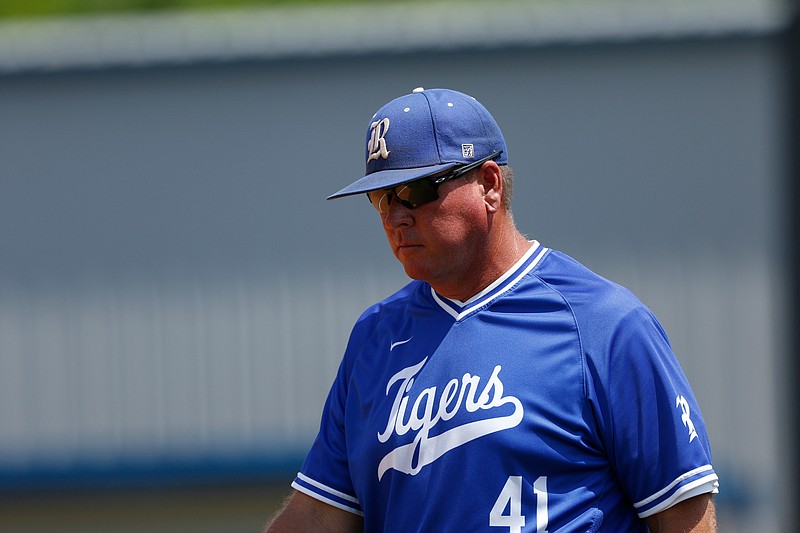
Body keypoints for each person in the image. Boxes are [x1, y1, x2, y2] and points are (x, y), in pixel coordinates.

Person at [265, 87, 719, 532]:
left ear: (489, 186)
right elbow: (319, 513)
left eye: (416, 190)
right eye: (382, 197)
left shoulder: (603, 325)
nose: (395, 215)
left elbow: (682, 513)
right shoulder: (376, 335)